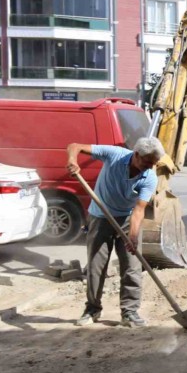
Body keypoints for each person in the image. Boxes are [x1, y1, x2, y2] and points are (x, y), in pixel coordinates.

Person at [66, 137, 164, 328]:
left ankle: (130, 312)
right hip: (100, 216)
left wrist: (133, 237)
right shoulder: (114, 155)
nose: (149, 167)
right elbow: (75, 145)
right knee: (96, 266)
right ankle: (92, 309)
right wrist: (72, 160)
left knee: (132, 266)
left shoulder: (149, 178)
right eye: (147, 162)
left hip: (128, 220)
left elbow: (139, 210)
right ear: (136, 154)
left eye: (153, 164)